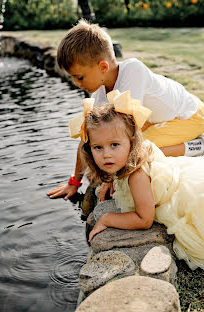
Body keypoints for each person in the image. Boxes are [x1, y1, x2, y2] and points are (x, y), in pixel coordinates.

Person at [47, 19, 204, 201]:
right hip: (158, 121)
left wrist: (113, 177)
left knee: (142, 149)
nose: (76, 83)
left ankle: (198, 145)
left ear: (103, 67)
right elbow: (87, 137)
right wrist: (74, 182)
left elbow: (126, 135)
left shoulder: (133, 71)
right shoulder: (100, 90)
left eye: (79, 77)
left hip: (189, 116)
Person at [72, 90, 204, 270]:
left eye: (114, 145)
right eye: (98, 147)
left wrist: (107, 218)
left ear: (131, 141)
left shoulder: (136, 175)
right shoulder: (126, 159)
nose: (107, 154)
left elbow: (144, 219)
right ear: (89, 149)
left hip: (185, 199)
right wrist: (110, 181)